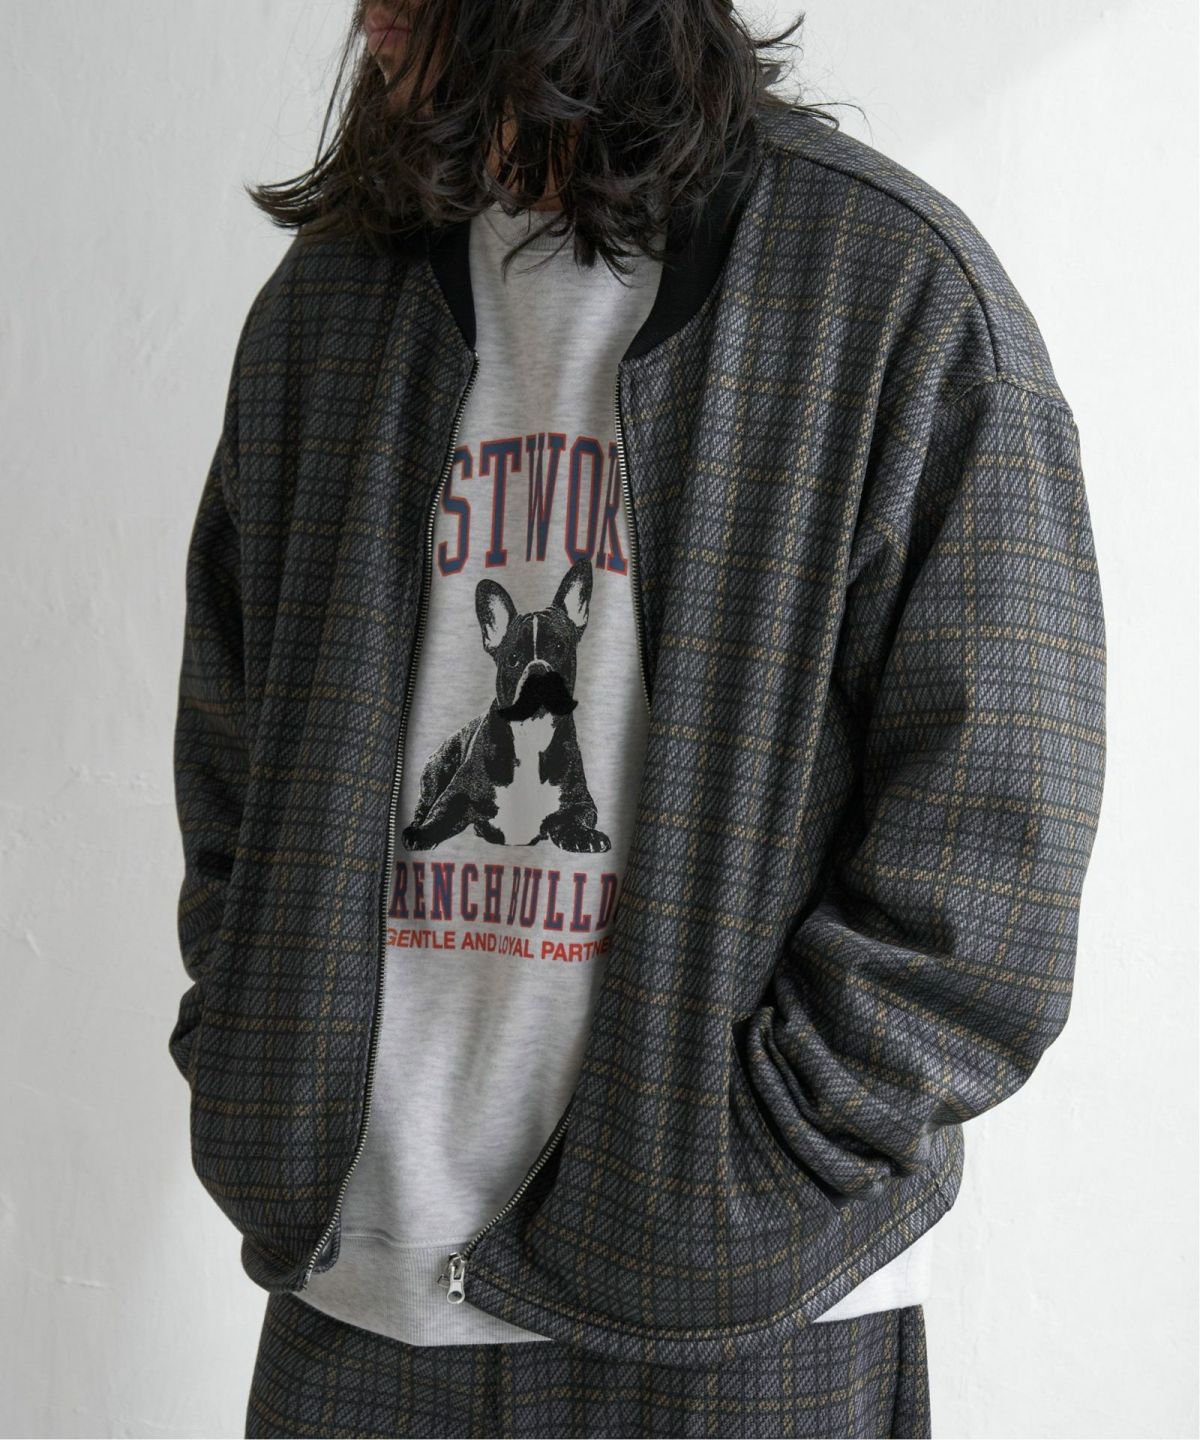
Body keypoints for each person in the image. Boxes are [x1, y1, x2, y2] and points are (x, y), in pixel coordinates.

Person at [168, 2, 1107, 1436]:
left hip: (741, 1326)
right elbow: (232, 758)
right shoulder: (328, 308)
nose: (365, 13)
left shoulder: (889, 298)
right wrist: (257, 1047)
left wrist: (756, 1161)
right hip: (359, 1298)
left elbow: (994, 852)